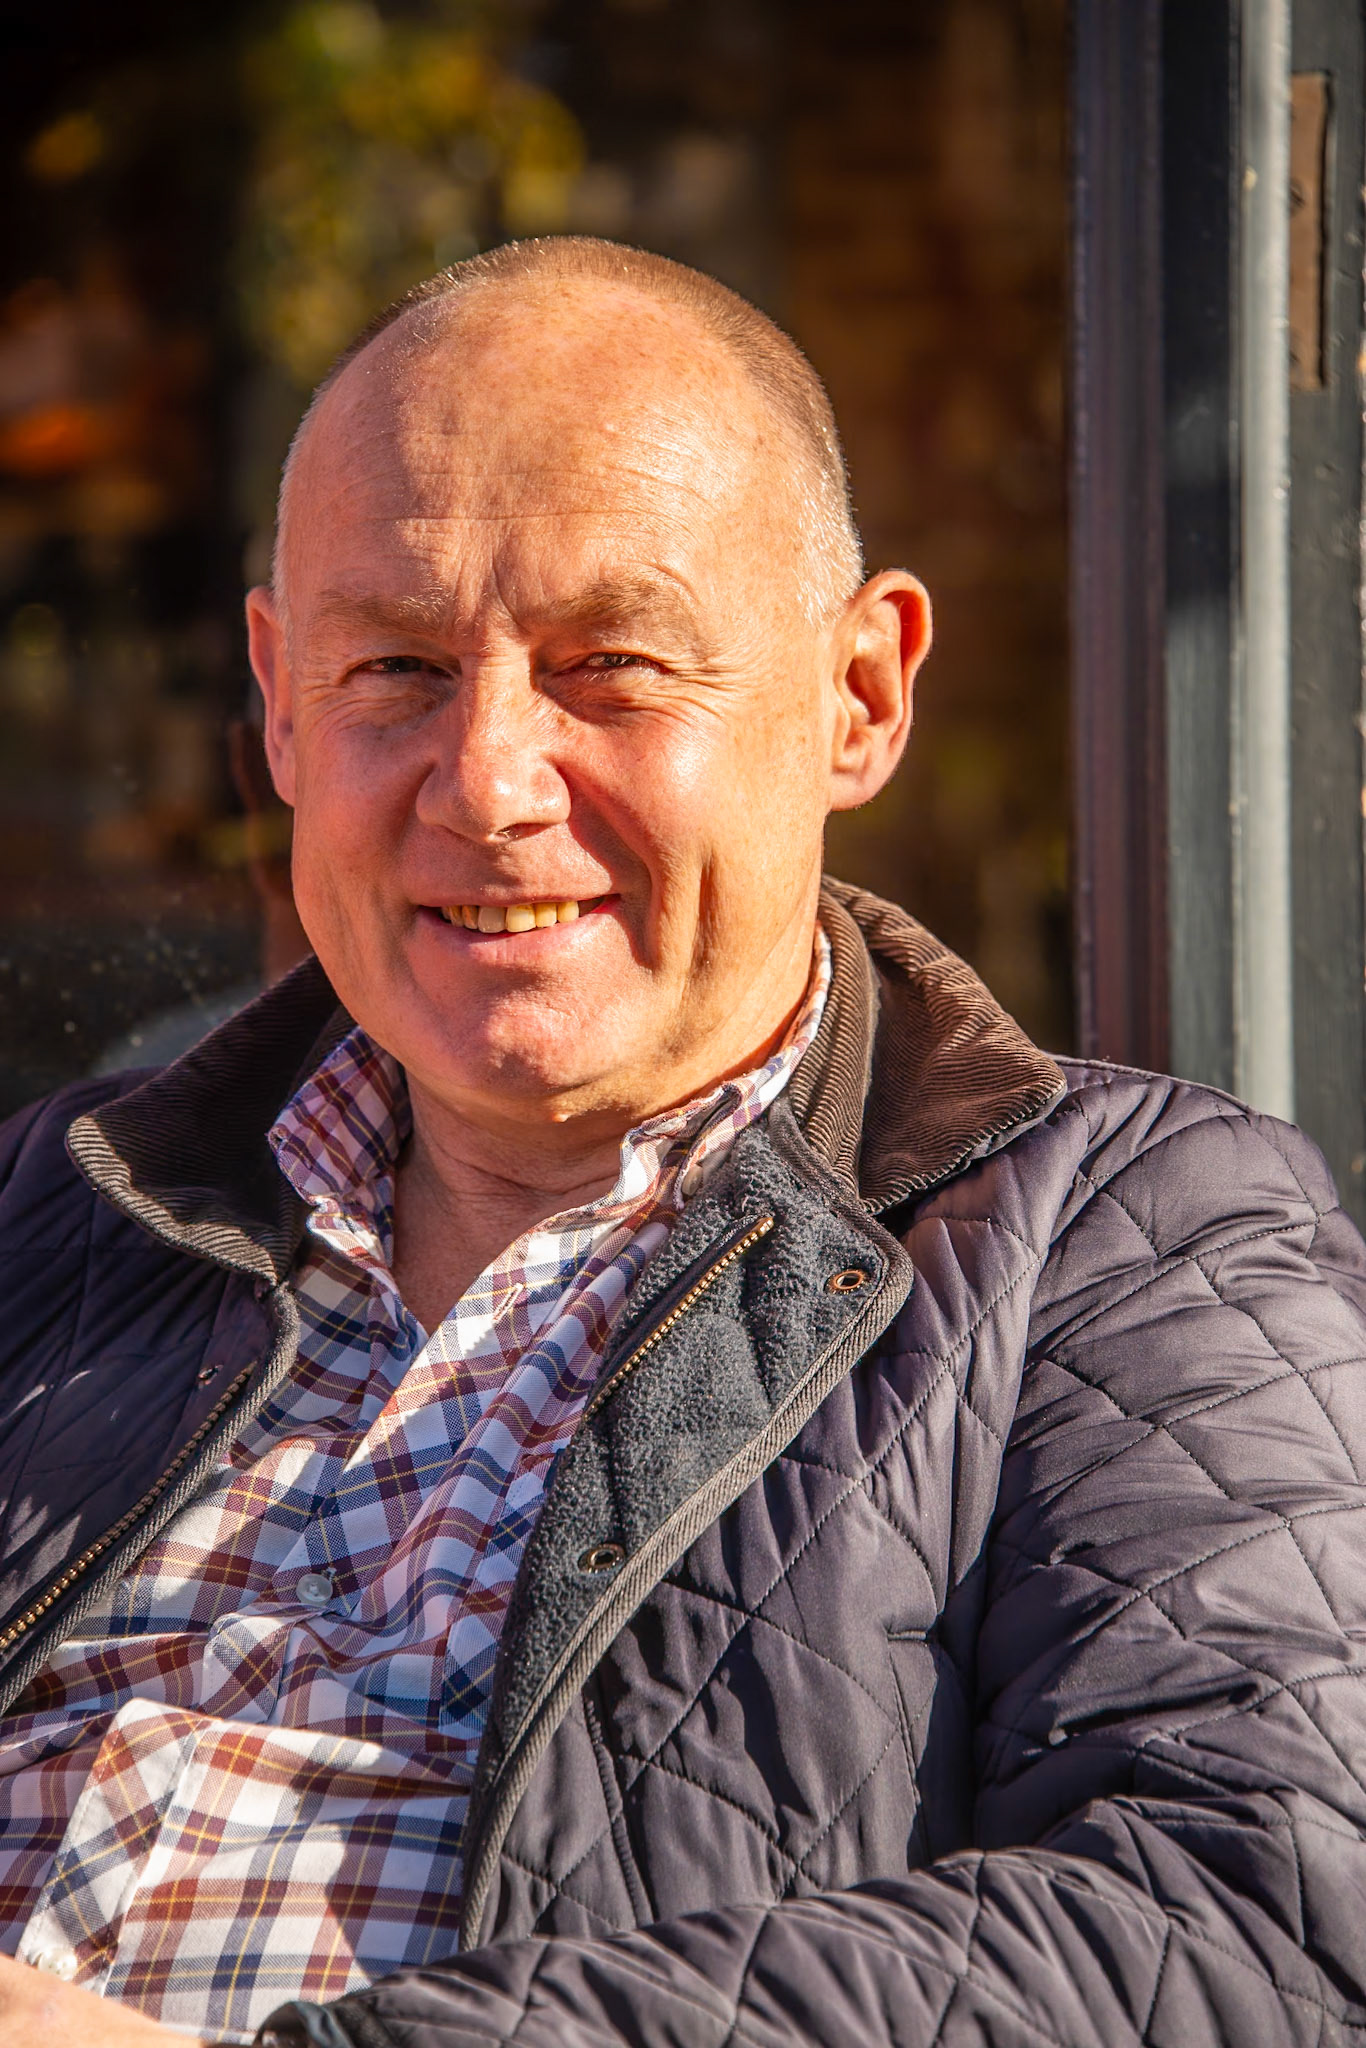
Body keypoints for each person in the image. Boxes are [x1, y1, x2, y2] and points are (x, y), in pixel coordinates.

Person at [0, 237, 1364, 2048]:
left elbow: (1262, 1923)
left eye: (612, 666)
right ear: (275, 700)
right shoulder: (59, 1208)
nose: (487, 778)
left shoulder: (1123, 1243)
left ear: (855, 695)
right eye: (395, 667)